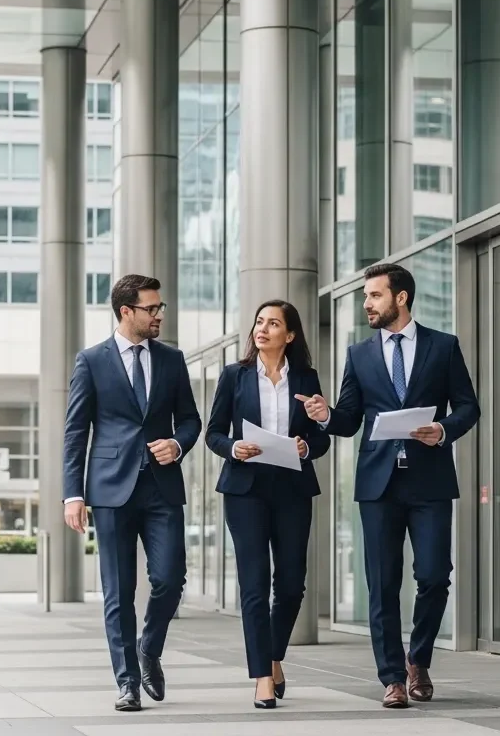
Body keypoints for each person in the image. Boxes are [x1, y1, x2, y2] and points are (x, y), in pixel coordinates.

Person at [297, 264, 479, 709]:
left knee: (435, 576)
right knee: (382, 583)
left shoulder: (444, 346)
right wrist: (326, 414)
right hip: (378, 483)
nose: (367, 304)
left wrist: (443, 429)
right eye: (365, 297)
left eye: (375, 296)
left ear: (401, 298)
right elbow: (350, 419)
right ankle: (393, 678)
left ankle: (419, 659)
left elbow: (469, 406)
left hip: (430, 480)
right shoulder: (359, 354)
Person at [62, 273, 202, 712]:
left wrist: (177, 443)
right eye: (152, 308)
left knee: (169, 578)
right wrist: (73, 494)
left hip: (161, 487)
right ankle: (127, 683)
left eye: (160, 308)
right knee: (118, 591)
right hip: (109, 491)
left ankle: (149, 648)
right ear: (127, 311)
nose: (159, 314)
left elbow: (192, 420)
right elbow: (75, 433)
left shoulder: (172, 359)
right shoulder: (91, 360)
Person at [206, 300, 330, 709]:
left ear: (289, 335)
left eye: (273, 323)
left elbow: (322, 437)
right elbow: (213, 434)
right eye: (259, 321)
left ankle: (274, 657)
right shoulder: (234, 376)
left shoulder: (307, 378)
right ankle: (261, 675)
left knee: (292, 584)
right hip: (246, 491)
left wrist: (306, 444)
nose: (262, 329)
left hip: (293, 489)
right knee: (254, 585)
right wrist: (233, 447)